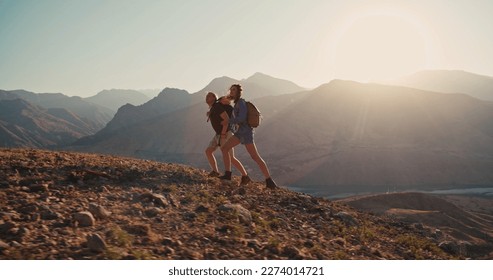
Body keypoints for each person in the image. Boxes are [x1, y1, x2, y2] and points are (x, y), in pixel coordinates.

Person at [220, 84, 278, 189]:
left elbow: (241, 118)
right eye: (231, 90)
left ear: (238, 92)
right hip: (239, 133)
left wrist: (229, 120)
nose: (232, 91)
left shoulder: (241, 103)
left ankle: (269, 181)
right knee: (225, 149)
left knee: (255, 157)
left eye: (234, 90)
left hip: (246, 133)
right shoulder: (237, 103)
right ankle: (228, 174)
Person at [204, 92, 251, 185]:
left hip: (225, 134)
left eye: (209, 96)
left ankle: (245, 176)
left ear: (214, 98)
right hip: (219, 134)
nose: (207, 98)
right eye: (206, 96)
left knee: (231, 157)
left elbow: (226, 119)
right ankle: (215, 171)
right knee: (208, 151)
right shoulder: (214, 108)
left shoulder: (217, 107)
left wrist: (222, 134)